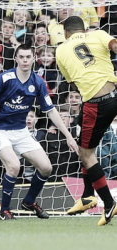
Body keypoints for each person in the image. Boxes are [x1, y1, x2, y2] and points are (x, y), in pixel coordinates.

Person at [0, 44, 79, 220]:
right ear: (16, 59)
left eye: (28, 57)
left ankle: (29, 201)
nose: (25, 60)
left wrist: (69, 136)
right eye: (22, 57)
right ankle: (4, 210)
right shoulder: (5, 78)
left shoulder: (38, 82)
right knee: (14, 167)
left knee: (46, 167)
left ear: (34, 59)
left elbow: (51, 110)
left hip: (21, 132)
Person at [56, 16, 117, 225]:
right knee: (84, 140)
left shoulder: (61, 50)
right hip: (113, 96)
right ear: (83, 29)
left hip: (96, 103)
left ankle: (109, 203)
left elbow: (72, 83)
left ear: (66, 32)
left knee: (85, 153)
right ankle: (87, 195)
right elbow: (115, 46)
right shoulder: (99, 34)